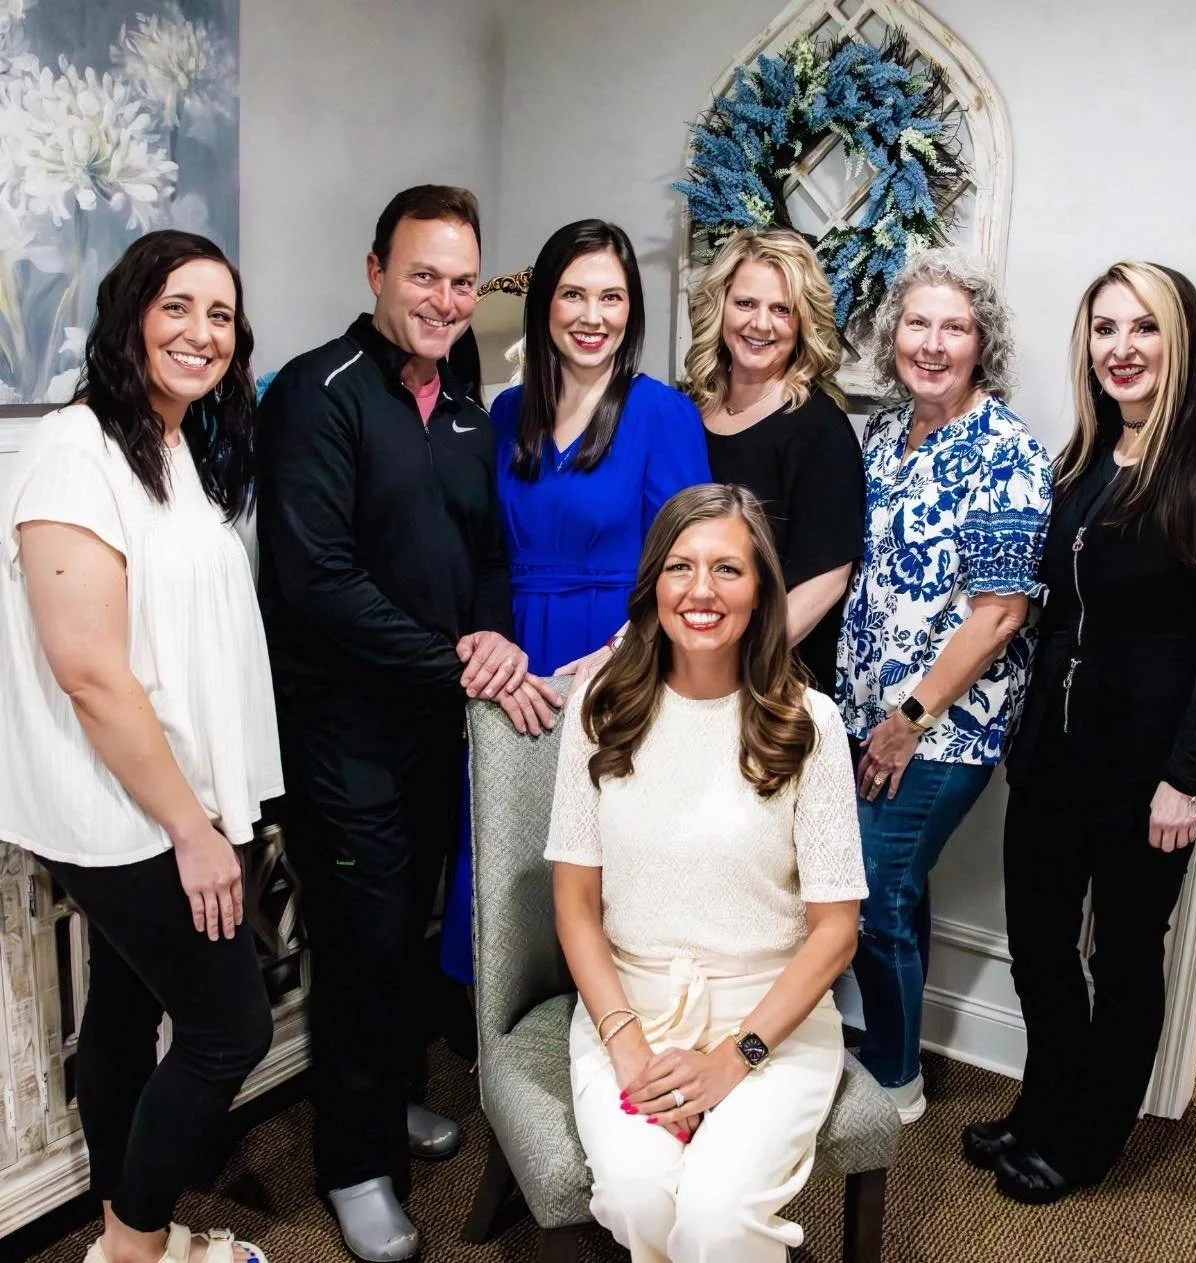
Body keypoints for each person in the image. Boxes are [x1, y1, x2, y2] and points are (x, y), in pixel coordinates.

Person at [255, 185, 561, 1263]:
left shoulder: (466, 408)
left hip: (437, 726)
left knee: (410, 938)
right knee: (361, 948)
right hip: (344, 737)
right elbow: (317, 581)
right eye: (423, 274)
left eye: (461, 280)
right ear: (376, 271)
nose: (444, 298)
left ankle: (384, 1103)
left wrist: (492, 639)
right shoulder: (317, 394)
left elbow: (485, 556)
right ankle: (353, 1162)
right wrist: (456, 661)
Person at [964, 262, 1196, 1204]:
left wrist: (1190, 777)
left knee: (1125, 957)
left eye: (1144, 327)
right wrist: (1023, 734)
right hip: (1054, 757)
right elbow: (1061, 612)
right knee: (1039, 944)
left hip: (1148, 776)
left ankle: (1090, 1138)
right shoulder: (1086, 460)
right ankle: (1044, 1103)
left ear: (1181, 340)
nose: (1122, 348)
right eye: (1105, 329)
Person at [0, 231, 279, 1263]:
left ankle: (126, 1231)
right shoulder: (74, 449)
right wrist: (193, 830)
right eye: (178, 307)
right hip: (127, 810)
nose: (203, 332)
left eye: (221, 314)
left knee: (124, 1005)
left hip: (165, 793)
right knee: (230, 1031)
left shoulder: (166, 443)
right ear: (129, 318)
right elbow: (89, 670)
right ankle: (133, 1247)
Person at [547, 483, 866, 1263]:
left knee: (717, 1217)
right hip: (631, 1005)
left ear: (760, 592)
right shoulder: (599, 707)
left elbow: (836, 932)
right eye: (680, 566)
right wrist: (626, 1044)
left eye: (728, 569)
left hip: (771, 1017)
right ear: (653, 582)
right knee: (637, 1195)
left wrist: (734, 1058)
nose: (701, 590)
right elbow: (576, 904)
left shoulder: (809, 724)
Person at [439, 218, 710, 986]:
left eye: (611, 297)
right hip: (514, 655)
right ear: (545, 305)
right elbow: (480, 547)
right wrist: (488, 640)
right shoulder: (504, 413)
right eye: (574, 295)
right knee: (506, 841)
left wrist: (623, 650)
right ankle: (501, 1009)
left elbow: (692, 562)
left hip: (619, 654)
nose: (593, 316)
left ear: (632, 310)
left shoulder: (663, 414)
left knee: (607, 853)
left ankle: (607, 1014)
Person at [833, 246, 1052, 1123]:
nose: (932, 343)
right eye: (918, 324)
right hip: (868, 707)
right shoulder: (885, 433)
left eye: (954, 327)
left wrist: (910, 718)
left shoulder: (1007, 451)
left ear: (980, 343)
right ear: (894, 337)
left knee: (871, 894)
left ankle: (894, 1077)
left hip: (942, 725)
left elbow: (1001, 615)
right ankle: (894, 1047)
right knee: (898, 887)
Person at [687, 227, 864, 700]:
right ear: (720, 306)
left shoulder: (818, 426)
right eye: (746, 303)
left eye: (781, 309)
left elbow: (827, 578)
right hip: (687, 663)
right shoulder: (687, 412)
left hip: (769, 679)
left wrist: (737, 662)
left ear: (803, 321)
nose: (761, 324)